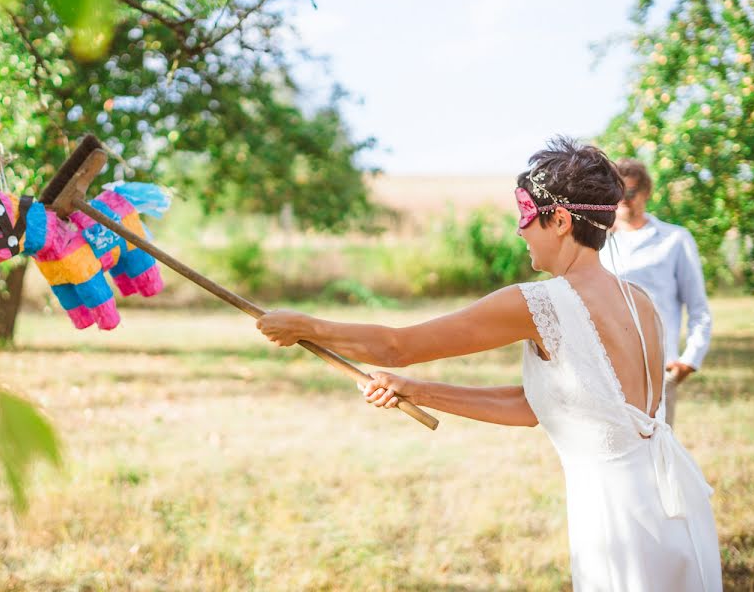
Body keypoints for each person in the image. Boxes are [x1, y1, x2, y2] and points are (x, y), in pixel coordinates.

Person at [256, 138, 721, 591]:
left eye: (525, 216)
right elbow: (543, 405)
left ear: (558, 220)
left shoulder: (537, 302)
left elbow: (396, 346)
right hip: (671, 508)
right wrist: (413, 391)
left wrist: (306, 327)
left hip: (617, 522)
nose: (520, 230)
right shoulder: (642, 303)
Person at [600, 159, 712, 426]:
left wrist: (689, 361)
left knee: (656, 454)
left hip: (657, 370)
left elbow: (699, 309)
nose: (624, 200)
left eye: (631, 192)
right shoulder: (597, 242)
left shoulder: (675, 239)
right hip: (605, 370)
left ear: (647, 192)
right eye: (618, 193)